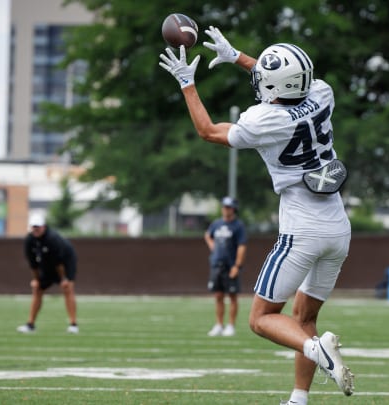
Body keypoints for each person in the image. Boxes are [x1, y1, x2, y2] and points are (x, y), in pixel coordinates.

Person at [159, 27, 354, 402]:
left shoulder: (266, 120)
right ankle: (299, 399)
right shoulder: (322, 93)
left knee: (261, 318)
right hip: (337, 228)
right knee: (304, 320)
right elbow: (286, 83)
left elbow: (208, 131)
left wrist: (187, 83)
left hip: (302, 229)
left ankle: (318, 351)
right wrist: (238, 58)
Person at [17, 213, 79, 334]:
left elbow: (59, 262)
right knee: (37, 289)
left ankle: (73, 324)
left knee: (68, 289)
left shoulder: (52, 239)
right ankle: (30, 325)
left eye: (38, 227)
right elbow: (33, 264)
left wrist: (64, 279)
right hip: (47, 264)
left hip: (66, 262)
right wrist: (36, 280)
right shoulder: (29, 240)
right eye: (33, 227)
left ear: (44, 227)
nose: (36, 229)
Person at [204, 196, 247, 337]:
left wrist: (237, 265)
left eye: (228, 207)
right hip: (217, 264)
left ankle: (231, 326)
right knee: (218, 295)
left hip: (230, 265)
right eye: (224, 207)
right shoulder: (216, 224)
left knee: (232, 296)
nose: (225, 209)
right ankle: (219, 325)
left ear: (234, 209)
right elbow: (207, 235)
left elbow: (242, 246)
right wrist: (213, 247)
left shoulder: (238, 226)